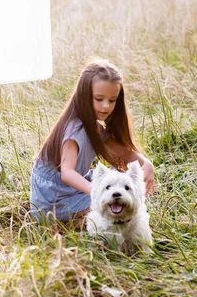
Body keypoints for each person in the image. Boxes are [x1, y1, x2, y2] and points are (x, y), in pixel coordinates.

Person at [30, 59, 155, 228]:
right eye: (99, 99)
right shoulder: (75, 129)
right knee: (114, 199)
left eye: (112, 100)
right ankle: (68, 224)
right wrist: (97, 191)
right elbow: (67, 173)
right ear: (84, 96)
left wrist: (147, 163)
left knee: (118, 186)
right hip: (53, 200)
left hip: (70, 190)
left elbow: (124, 154)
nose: (106, 106)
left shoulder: (93, 127)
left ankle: (79, 221)